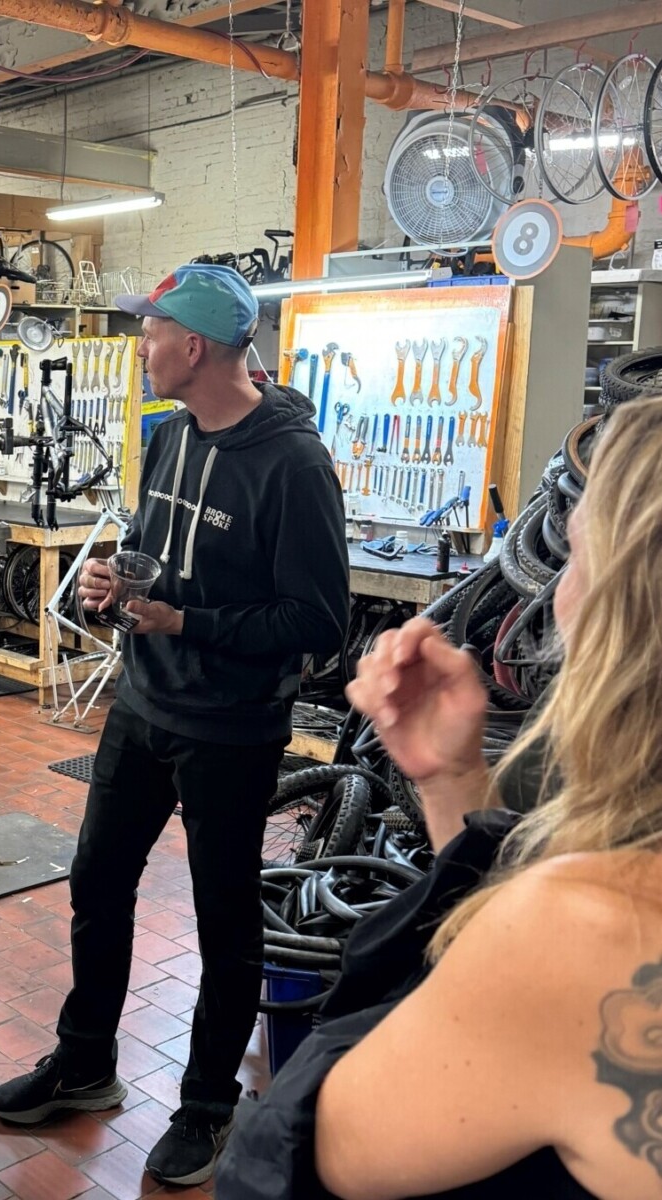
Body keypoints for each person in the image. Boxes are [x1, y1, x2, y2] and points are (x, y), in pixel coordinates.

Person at [218, 395, 662, 1200]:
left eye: (575, 557)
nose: (552, 595)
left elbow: (311, 1155)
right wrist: (452, 782)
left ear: (624, 618)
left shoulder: (594, 931)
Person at [0, 263, 350, 1184]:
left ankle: (204, 1106)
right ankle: (85, 1065)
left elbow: (317, 625)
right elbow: (158, 557)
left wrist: (185, 621)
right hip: (142, 707)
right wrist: (122, 587)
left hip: (230, 729)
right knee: (96, 886)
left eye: (150, 335)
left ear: (192, 346)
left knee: (222, 923)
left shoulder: (293, 465)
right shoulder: (171, 438)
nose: (140, 348)